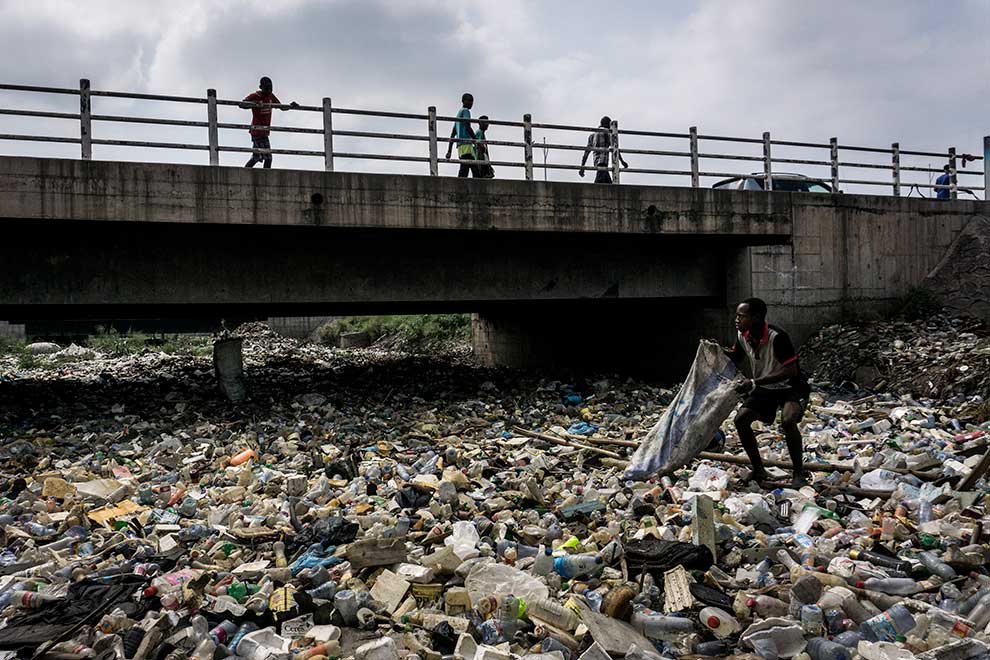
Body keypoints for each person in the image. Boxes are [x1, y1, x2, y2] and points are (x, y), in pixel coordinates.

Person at [725, 297, 811, 488]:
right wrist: (715, 350)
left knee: (788, 420)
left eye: (742, 316)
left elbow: (791, 370)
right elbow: (736, 357)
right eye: (737, 316)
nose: (737, 320)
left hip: (791, 387)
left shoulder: (777, 337)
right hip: (765, 388)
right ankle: (758, 469)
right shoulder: (743, 336)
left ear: (755, 318)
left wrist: (754, 382)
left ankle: (798, 473)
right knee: (741, 419)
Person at [240, 77, 299, 168]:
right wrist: (254, 104)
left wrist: (291, 106)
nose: (269, 90)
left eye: (271, 87)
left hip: (264, 132)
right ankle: (246, 174)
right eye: (267, 87)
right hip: (256, 131)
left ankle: (261, 176)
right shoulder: (255, 96)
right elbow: (242, 104)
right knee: (262, 157)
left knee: (262, 157)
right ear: (261, 87)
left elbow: (281, 107)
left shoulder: (271, 96)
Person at [579, 116, 628, 183]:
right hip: (603, 161)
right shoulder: (607, 132)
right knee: (600, 183)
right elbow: (615, 149)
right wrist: (622, 161)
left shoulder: (592, 136)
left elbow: (586, 153)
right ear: (606, 124)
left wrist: (582, 167)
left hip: (596, 162)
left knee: (607, 184)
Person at [446, 93, 480, 178]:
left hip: (460, 147)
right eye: (469, 101)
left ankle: (462, 184)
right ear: (463, 101)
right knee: (469, 168)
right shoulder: (465, 111)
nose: (471, 103)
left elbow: (453, 134)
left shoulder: (458, 115)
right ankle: (477, 185)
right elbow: (468, 127)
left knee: (468, 167)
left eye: (472, 101)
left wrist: (449, 151)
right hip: (466, 144)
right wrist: (477, 141)